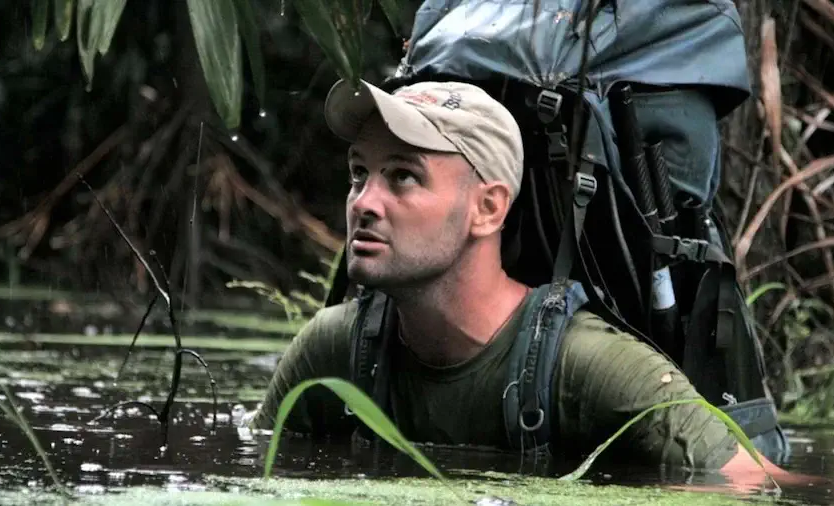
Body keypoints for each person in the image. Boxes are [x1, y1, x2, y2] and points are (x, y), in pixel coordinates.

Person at [246, 78, 795, 484]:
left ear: (487, 209)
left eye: (403, 176)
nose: (364, 203)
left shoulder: (591, 367)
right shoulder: (331, 354)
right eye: (359, 174)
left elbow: (764, 485)